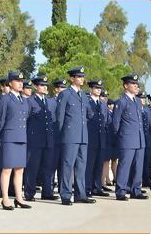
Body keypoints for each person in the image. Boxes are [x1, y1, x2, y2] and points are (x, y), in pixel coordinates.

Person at [56, 66, 96, 205]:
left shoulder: (84, 95)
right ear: (72, 78)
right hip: (69, 136)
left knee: (81, 166)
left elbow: (90, 114)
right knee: (68, 165)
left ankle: (80, 194)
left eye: (82, 76)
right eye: (78, 77)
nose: (81, 79)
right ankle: (66, 195)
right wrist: (61, 135)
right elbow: (60, 116)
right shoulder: (66, 94)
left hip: (83, 135)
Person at [0, 71, 31, 210]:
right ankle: (5, 198)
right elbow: (1, 120)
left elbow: (26, 117)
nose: (20, 83)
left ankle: (19, 198)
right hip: (9, 137)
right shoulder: (5, 99)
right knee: (7, 170)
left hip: (21, 137)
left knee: (19, 170)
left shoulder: (24, 100)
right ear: (10, 83)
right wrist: (1, 136)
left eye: (21, 81)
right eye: (17, 81)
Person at [113, 73, 148, 200]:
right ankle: (121, 191)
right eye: (133, 84)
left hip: (139, 139)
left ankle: (136, 190)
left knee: (138, 166)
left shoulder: (138, 101)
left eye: (136, 84)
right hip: (127, 139)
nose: (136, 86)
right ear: (125, 86)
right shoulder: (121, 101)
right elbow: (115, 123)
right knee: (124, 166)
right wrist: (120, 137)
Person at [24, 75, 58, 201]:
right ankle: (29, 193)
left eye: (46, 85)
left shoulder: (49, 101)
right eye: (42, 85)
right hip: (35, 140)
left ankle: (47, 192)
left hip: (48, 140)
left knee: (48, 167)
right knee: (32, 167)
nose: (45, 87)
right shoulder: (30, 101)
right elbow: (25, 120)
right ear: (36, 87)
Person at [85, 80, 110, 197]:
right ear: (91, 89)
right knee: (89, 165)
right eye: (96, 88)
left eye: (100, 88)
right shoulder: (86, 101)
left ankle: (97, 187)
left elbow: (106, 120)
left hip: (101, 138)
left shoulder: (102, 103)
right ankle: (87, 188)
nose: (99, 90)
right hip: (90, 137)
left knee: (99, 164)